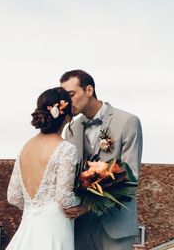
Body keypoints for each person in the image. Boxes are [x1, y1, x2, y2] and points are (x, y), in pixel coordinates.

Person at [61, 69, 143, 250]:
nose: (67, 102)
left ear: (89, 90)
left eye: (71, 94)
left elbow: (130, 176)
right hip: (80, 228)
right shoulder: (71, 129)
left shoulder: (128, 122)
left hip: (116, 226)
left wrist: (88, 207)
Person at [6, 87, 80, 250]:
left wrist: (35, 207)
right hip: (54, 227)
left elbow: (13, 197)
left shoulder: (25, 148)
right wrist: (87, 200)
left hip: (29, 224)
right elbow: (64, 198)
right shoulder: (65, 149)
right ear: (67, 118)